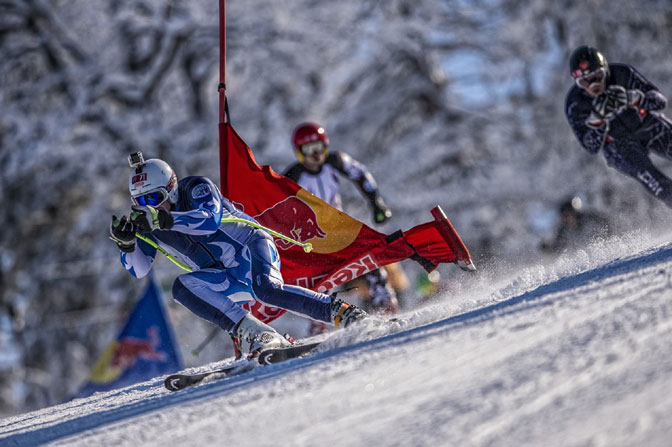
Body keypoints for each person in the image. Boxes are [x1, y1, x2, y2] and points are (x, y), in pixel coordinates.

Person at [109, 152, 368, 355]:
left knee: (267, 290)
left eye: (154, 198)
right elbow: (139, 269)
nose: (149, 207)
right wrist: (127, 244)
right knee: (181, 288)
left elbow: (208, 220)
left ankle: (341, 311)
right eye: (141, 202)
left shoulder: (196, 188)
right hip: (221, 275)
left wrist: (165, 219)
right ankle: (258, 334)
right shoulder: (150, 221)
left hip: (251, 248)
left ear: (172, 188)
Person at [284, 122, 401, 319]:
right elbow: (278, 206)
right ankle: (319, 320)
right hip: (312, 237)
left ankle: (385, 302)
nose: (316, 155)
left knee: (367, 257)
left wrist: (376, 203)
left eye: (319, 148)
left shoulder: (335, 161)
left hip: (338, 227)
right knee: (319, 279)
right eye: (309, 150)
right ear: (300, 152)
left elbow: (361, 174)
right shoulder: (293, 175)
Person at [565, 45, 672, 208]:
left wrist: (635, 99)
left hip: (648, 125)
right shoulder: (575, 104)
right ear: (578, 83)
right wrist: (598, 122)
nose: (594, 85)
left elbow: (660, 101)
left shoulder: (622, 74)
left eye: (598, 76)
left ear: (605, 70)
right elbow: (590, 147)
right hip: (620, 147)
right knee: (659, 184)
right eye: (585, 81)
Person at [540, 196, 612, 253]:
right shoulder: (564, 231)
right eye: (563, 217)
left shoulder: (591, 219)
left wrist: (608, 238)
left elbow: (607, 223)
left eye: (568, 215)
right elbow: (557, 247)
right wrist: (547, 248)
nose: (566, 220)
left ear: (575, 213)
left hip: (602, 249)